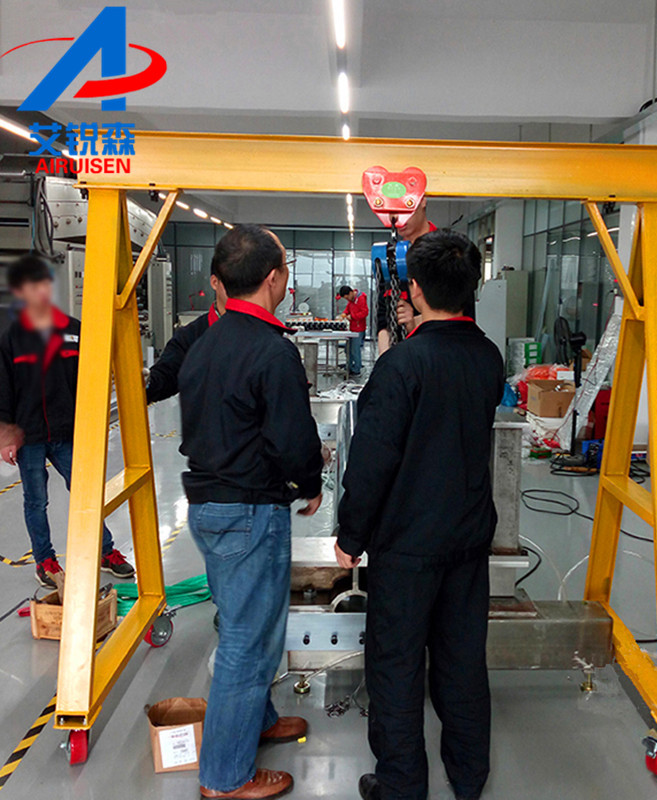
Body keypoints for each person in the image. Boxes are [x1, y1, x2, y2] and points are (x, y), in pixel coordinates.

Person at [336, 230, 504, 800]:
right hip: (467, 541)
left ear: (414, 290)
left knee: (397, 665)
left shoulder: (402, 366)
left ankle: (401, 784)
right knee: (462, 662)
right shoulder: (488, 357)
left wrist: (351, 534)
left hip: (407, 547)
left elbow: (372, 460)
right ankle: (469, 775)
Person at [178, 225, 324, 800]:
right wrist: (310, 482)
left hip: (210, 507)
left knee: (249, 626)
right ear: (273, 278)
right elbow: (292, 436)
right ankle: (224, 777)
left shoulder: (204, 343)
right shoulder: (271, 350)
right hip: (248, 511)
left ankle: (257, 721)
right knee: (247, 640)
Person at [0, 255, 135, 588]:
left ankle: (105, 551)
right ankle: (45, 560)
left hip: (68, 432)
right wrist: (4, 435)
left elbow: (91, 381)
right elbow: (1, 389)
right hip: (28, 436)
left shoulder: (74, 331)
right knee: (36, 501)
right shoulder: (11, 340)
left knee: (87, 495)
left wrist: (93, 424)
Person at [145, 258, 228, 403]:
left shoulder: (263, 335)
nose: (241, 290)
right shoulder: (191, 337)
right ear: (215, 282)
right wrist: (145, 382)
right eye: (232, 282)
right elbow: (166, 376)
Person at [375, 196, 437, 354]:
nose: (395, 217)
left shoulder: (449, 252)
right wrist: (385, 360)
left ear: (422, 201)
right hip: (402, 359)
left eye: (402, 208)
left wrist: (416, 322)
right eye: (390, 211)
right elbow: (383, 321)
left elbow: (459, 316)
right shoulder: (391, 258)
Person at [337, 284, 369, 376]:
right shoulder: (351, 300)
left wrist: (353, 316)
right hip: (352, 328)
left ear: (351, 292)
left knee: (355, 350)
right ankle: (349, 366)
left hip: (358, 329)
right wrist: (344, 314)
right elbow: (348, 308)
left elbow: (365, 312)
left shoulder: (361, 299)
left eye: (347, 297)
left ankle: (356, 369)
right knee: (348, 349)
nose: (347, 299)